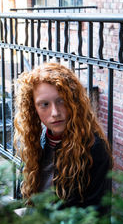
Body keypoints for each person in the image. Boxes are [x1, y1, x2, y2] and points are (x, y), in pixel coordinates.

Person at [14, 62, 113, 215]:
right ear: (33, 108)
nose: (55, 112)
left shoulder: (94, 147)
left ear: (74, 102)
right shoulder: (37, 141)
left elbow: (96, 215)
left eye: (61, 101)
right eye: (44, 104)